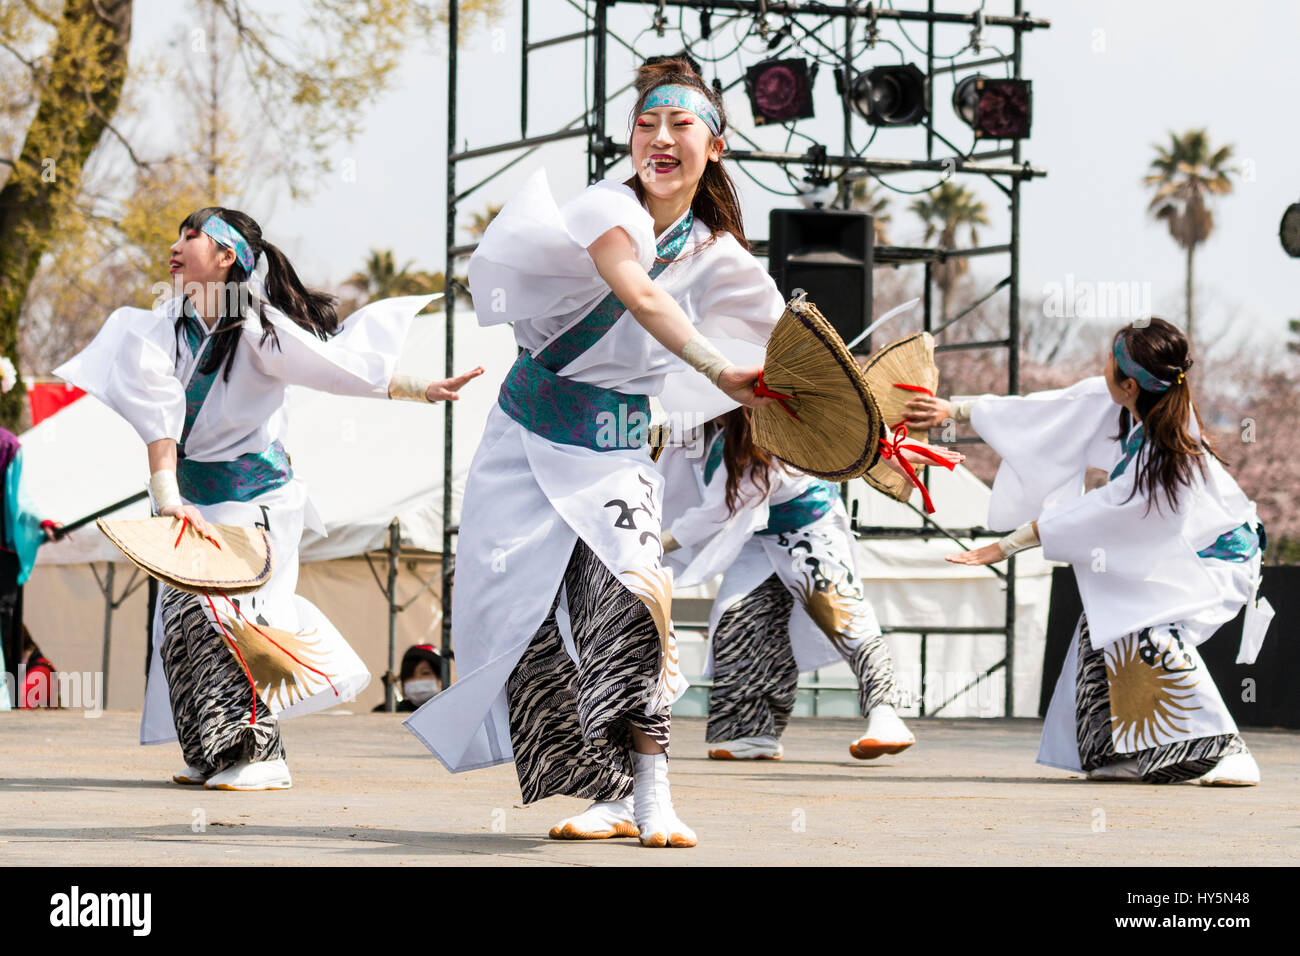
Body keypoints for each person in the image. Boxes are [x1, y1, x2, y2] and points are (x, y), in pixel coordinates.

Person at [407, 57, 808, 849]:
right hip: (522, 442)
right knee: (522, 619)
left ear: (716, 146)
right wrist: (715, 367)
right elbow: (640, 291)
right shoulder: (602, 206)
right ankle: (608, 789)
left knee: (632, 601)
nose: (659, 139)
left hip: (615, 453)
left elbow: (796, 356)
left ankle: (654, 791)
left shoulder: (721, 258)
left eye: (680, 125)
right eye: (645, 125)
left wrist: (873, 417)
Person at [56, 207, 481, 790]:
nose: (176, 246)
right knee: (181, 626)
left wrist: (416, 388)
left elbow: (334, 368)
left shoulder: (258, 327)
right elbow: (156, 419)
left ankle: (261, 754)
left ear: (227, 256)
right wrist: (168, 499)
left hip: (253, 504)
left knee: (233, 623)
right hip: (191, 502)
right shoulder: (155, 327)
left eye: (192, 236)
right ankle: (212, 749)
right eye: (176, 233)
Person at [906, 317, 1266, 786]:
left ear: (1130, 384)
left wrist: (1009, 544)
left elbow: (1113, 509)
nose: (1101, 371)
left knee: (1135, 614)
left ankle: (1224, 747)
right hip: (1175, 550)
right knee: (1100, 620)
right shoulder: (1121, 404)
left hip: (1217, 558)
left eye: (1109, 364)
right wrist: (956, 411)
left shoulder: (1168, 449)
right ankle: (1114, 749)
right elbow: (1052, 410)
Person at [657, 408, 956, 761]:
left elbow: (717, 512)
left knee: (845, 618)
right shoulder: (713, 432)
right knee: (739, 622)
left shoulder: (775, 428)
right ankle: (752, 731)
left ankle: (885, 714)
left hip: (811, 532)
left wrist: (654, 543)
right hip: (755, 540)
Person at [372, 644, 446, 712]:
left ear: (440, 679)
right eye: (410, 675)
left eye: (425, 673)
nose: (417, 680)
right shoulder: (387, 711)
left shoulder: (452, 712)